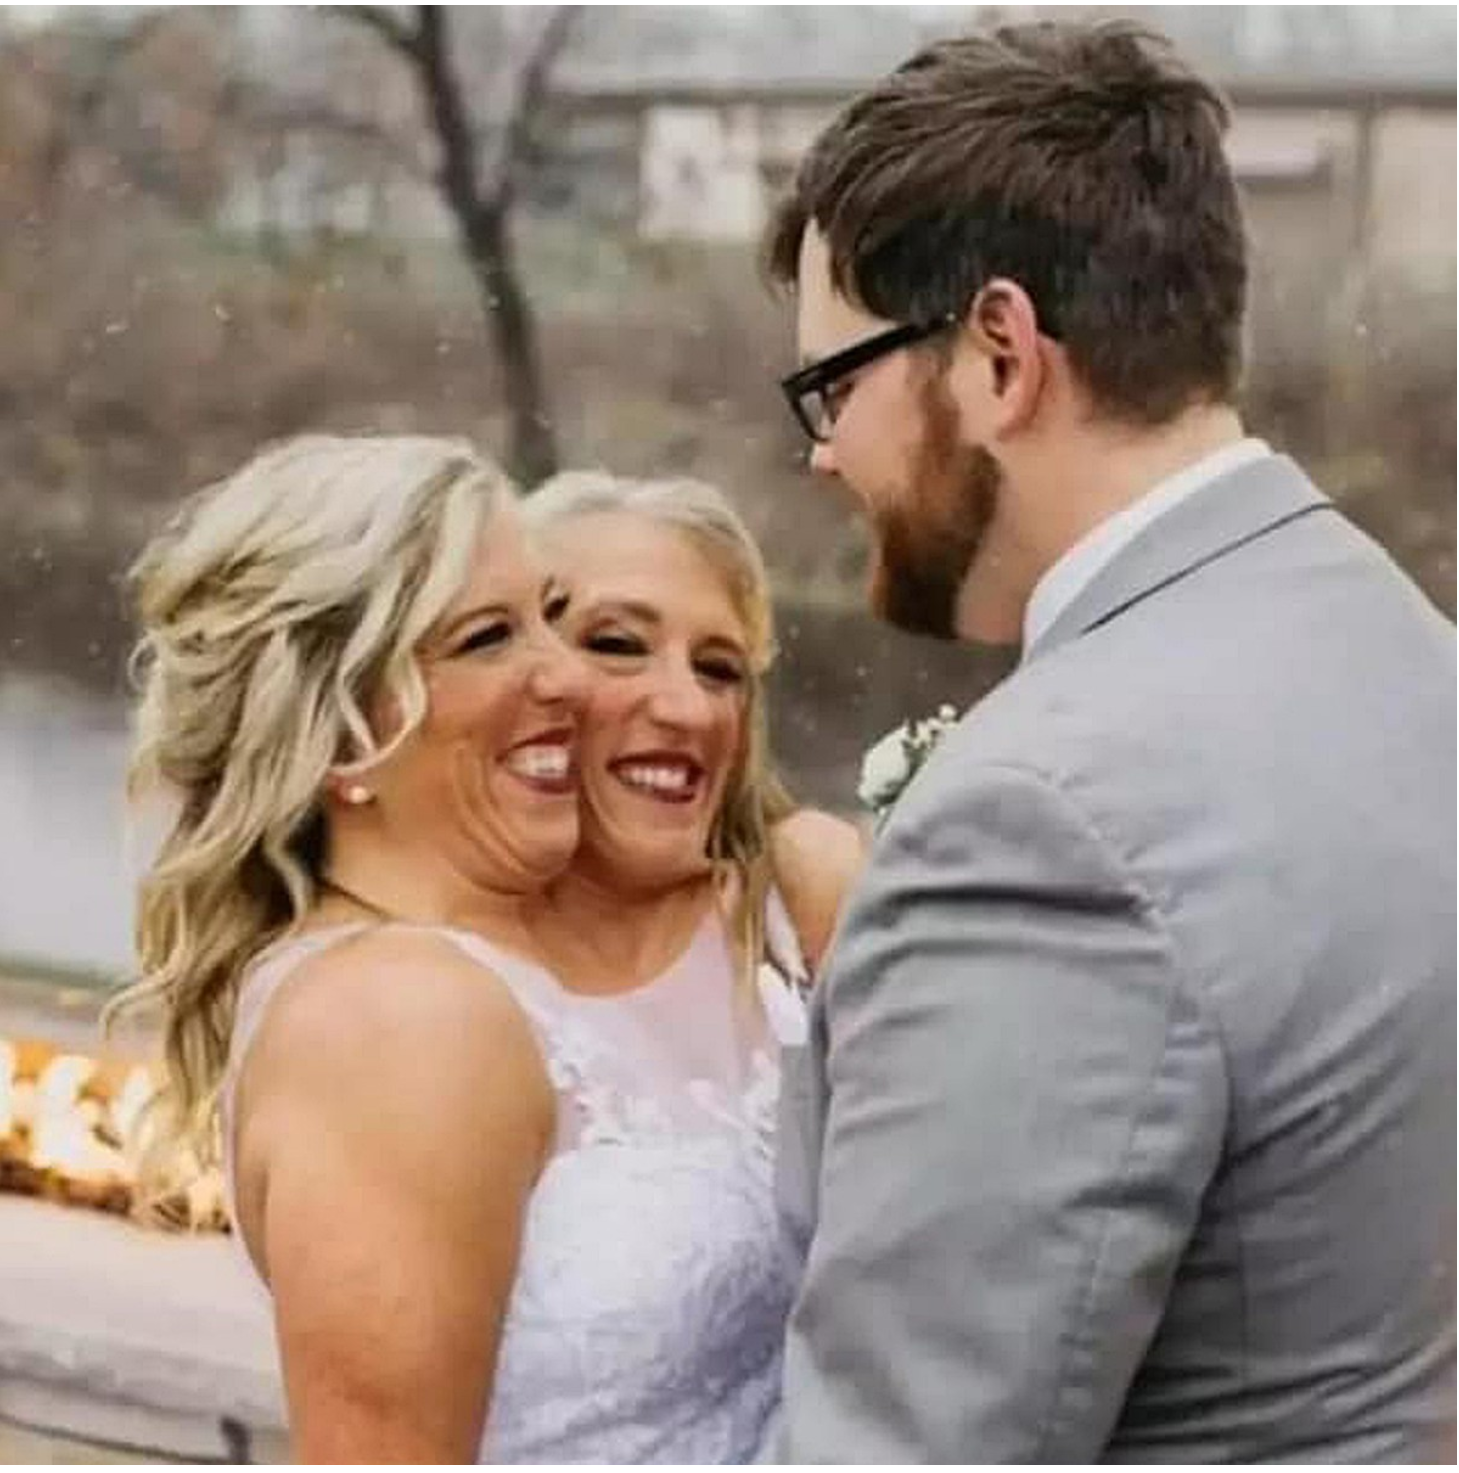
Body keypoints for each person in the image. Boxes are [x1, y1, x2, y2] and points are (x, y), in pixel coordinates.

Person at [764, 18, 1456, 1462]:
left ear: (999, 354)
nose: (822, 452)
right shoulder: (1405, 652)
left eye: (835, 386)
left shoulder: (1041, 821)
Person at [114, 439, 859, 1462]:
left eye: (550, 620)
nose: (563, 677)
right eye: (490, 638)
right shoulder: (392, 1017)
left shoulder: (530, 962)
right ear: (344, 731)